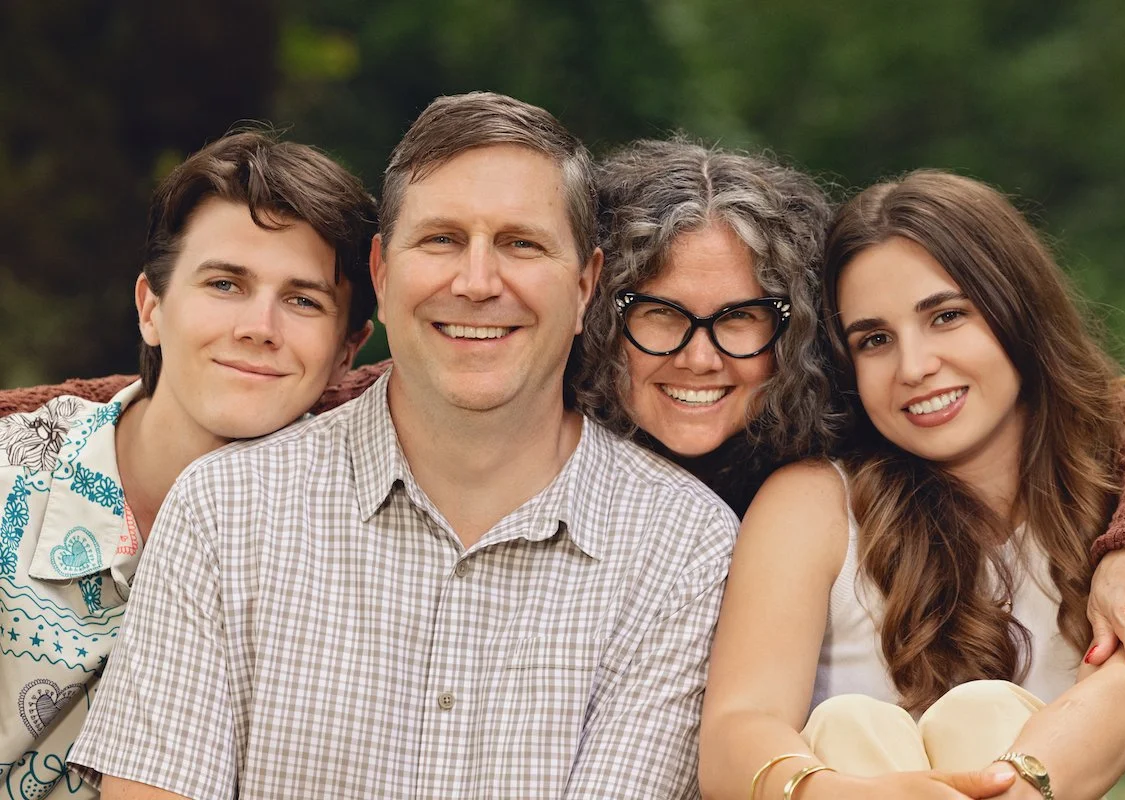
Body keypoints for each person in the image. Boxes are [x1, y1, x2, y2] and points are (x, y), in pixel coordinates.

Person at [66, 93, 738, 799]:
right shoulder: (226, 511)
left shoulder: (679, 546)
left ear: (584, 286)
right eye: (442, 239)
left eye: (521, 243)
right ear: (382, 276)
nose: (477, 283)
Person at [698, 170, 1125, 800]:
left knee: (981, 715)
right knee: (850, 725)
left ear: (1019, 310)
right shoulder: (817, 503)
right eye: (875, 340)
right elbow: (735, 732)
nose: (914, 367)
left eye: (946, 316)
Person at [0, 130, 377, 799]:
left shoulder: (363, 537)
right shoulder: (10, 480)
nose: (259, 325)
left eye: (303, 299)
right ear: (151, 308)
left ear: (347, 350)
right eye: (226, 283)